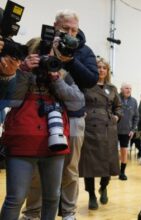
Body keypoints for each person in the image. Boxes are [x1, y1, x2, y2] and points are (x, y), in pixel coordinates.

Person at [20, 10, 99, 220]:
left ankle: (69, 212)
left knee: (70, 170)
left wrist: (70, 60)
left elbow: (91, 79)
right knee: (36, 169)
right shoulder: (39, 43)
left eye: (74, 29)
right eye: (65, 29)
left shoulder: (84, 51)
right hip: (39, 114)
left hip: (73, 114)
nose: (70, 33)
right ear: (55, 26)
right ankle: (32, 212)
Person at [0, 36, 85, 220]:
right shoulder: (18, 71)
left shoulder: (60, 73)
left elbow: (77, 103)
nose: (43, 59)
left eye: (47, 54)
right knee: (16, 198)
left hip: (55, 142)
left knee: (52, 197)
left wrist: (56, 79)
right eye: (38, 55)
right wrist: (23, 71)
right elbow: (12, 101)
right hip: (23, 141)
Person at [78, 57, 121, 210]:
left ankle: (104, 186)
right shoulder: (85, 86)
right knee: (89, 164)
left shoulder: (112, 88)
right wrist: (81, 113)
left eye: (104, 67)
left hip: (108, 128)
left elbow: (118, 106)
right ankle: (91, 195)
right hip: (90, 127)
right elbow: (78, 102)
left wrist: (117, 116)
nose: (101, 70)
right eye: (98, 67)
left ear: (107, 71)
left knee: (107, 162)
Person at [117, 83, 139, 180]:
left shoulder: (134, 101)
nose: (128, 90)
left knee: (124, 151)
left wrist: (133, 129)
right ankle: (109, 172)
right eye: (126, 88)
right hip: (114, 130)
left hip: (126, 131)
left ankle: (122, 172)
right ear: (121, 89)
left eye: (130, 88)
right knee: (112, 151)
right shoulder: (116, 98)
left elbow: (136, 117)